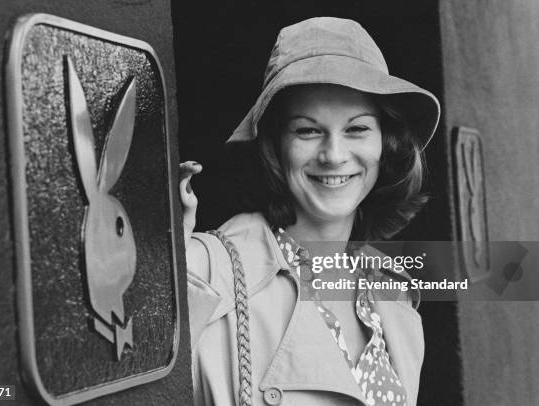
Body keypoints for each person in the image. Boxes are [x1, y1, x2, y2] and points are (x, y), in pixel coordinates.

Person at [179, 17, 440, 406]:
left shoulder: (393, 294)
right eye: (308, 130)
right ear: (274, 146)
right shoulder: (205, 271)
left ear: (386, 144)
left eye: (356, 129)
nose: (333, 155)